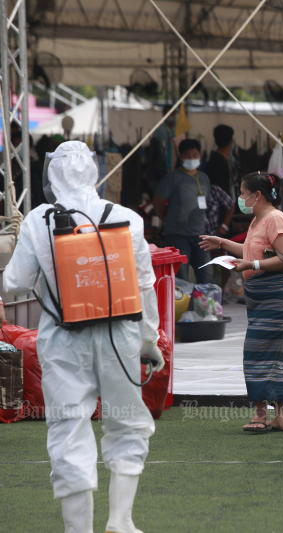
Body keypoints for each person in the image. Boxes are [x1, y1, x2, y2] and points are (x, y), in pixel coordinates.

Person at [3, 141, 163, 532]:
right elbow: (144, 284)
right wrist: (149, 339)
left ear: (52, 176)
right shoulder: (127, 217)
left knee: (68, 428)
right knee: (127, 423)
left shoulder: (39, 219)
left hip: (63, 341)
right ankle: (121, 521)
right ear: (93, 172)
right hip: (121, 338)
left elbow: (14, 284)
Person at [200, 172, 283, 433]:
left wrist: (253, 264)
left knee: (255, 351)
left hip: (277, 294)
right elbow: (249, 251)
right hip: (261, 294)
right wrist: (222, 243)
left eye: (244, 193)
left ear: (258, 195)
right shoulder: (259, 219)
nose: (241, 198)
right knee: (275, 353)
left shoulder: (275, 218)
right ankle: (281, 415)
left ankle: (260, 414)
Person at [154, 138, 213, 284]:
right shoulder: (172, 178)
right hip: (177, 234)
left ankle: (205, 305)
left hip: (200, 234)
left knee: (206, 275)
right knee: (182, 277)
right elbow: (158, 201)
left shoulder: (204, 178)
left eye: (195, 155)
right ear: (180, 157)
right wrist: (165, 218)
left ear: (200, 155)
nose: (192, 158)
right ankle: (186, 306)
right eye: (188, 155)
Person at [205, 124, 239, 198]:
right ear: (230, 142)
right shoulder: (220, 163)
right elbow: (223, 190)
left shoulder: (214, 158)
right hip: (223, 205)